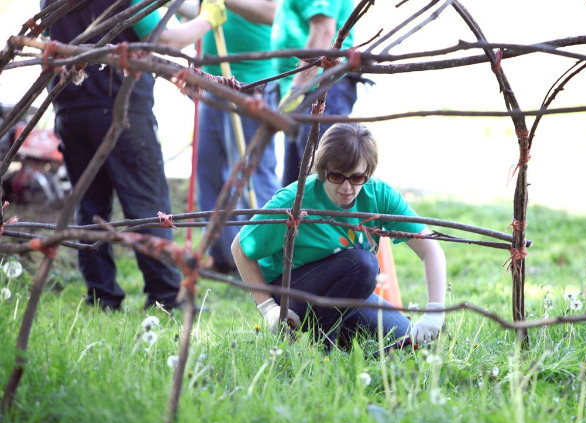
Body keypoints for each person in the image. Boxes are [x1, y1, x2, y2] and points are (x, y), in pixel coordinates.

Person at [43, 0, 227, 310]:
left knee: (88, 204)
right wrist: (209, 18)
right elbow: (164, 39)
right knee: (147, 203)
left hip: (70, 107)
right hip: (119, 106)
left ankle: (101, 296)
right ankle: (167, 296)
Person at [232, 123, 447, 350]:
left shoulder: (380, 195)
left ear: (368, 173)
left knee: (410, 343)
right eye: (337, 176)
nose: (347, 187)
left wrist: (435, 310)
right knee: (362, 265)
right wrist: (268, 308)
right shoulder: (293, 201)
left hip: (349, 292)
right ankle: (321, 345)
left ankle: (335, 334)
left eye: (356, 178)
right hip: (292, 290)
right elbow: (240, 248)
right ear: (323, 170)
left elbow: (430, 248)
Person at [194, 0, 283, 274]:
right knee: (208, 172)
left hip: (252, 82)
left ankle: (269, 259)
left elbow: (275, 12)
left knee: (252, 173)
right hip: (213, 79)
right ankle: (224, 258)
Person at [271, 0, 361, 186]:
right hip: (306, 87)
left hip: (321, 88)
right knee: (297, 181)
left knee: (324, 176)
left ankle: (327, 216)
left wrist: (296, 89)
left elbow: (323, 31)